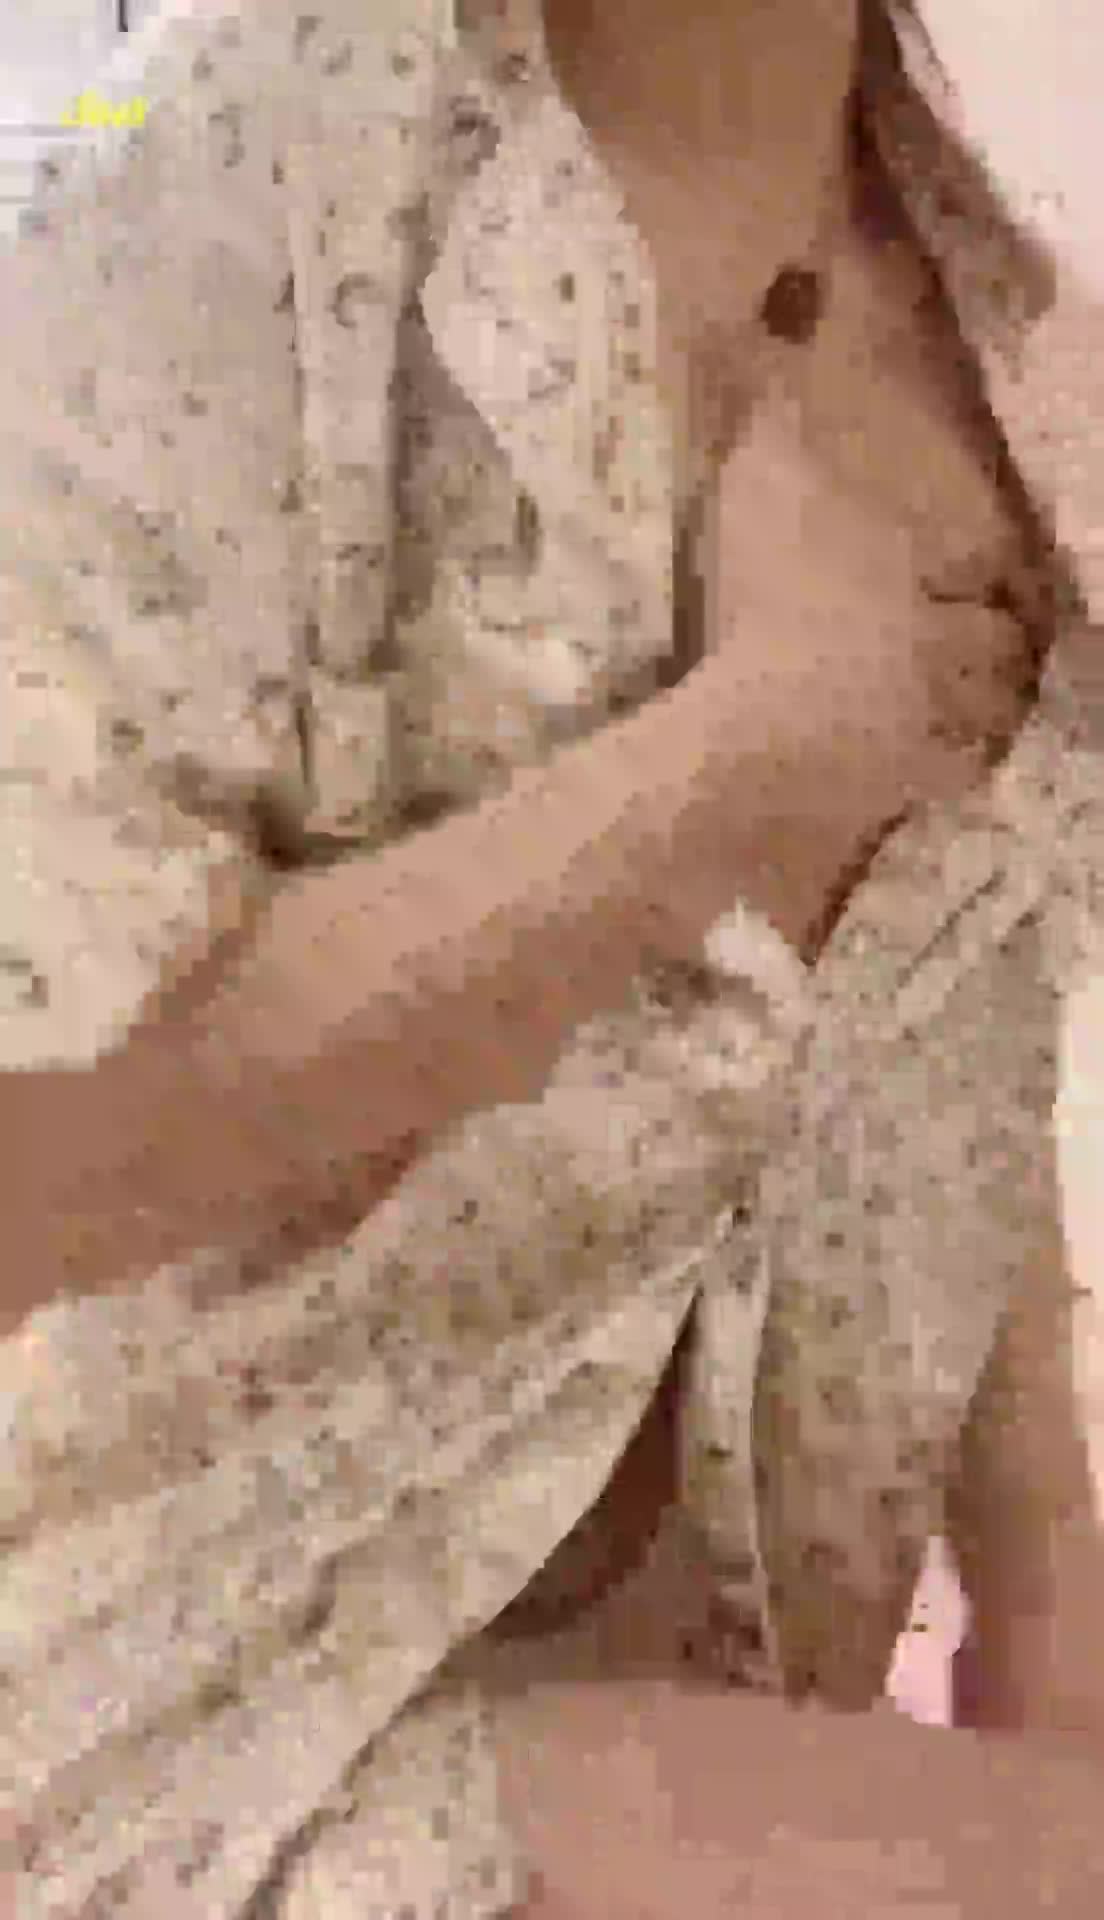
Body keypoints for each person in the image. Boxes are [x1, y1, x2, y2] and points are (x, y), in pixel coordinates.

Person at [4, 0, 1104, 1911]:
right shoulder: (223, 176)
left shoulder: (1006, 322)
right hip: (208, 1736)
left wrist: (1049, 1621)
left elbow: (935, 1045)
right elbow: (34, 1168)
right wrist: (736, 763)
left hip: (707, 1729)